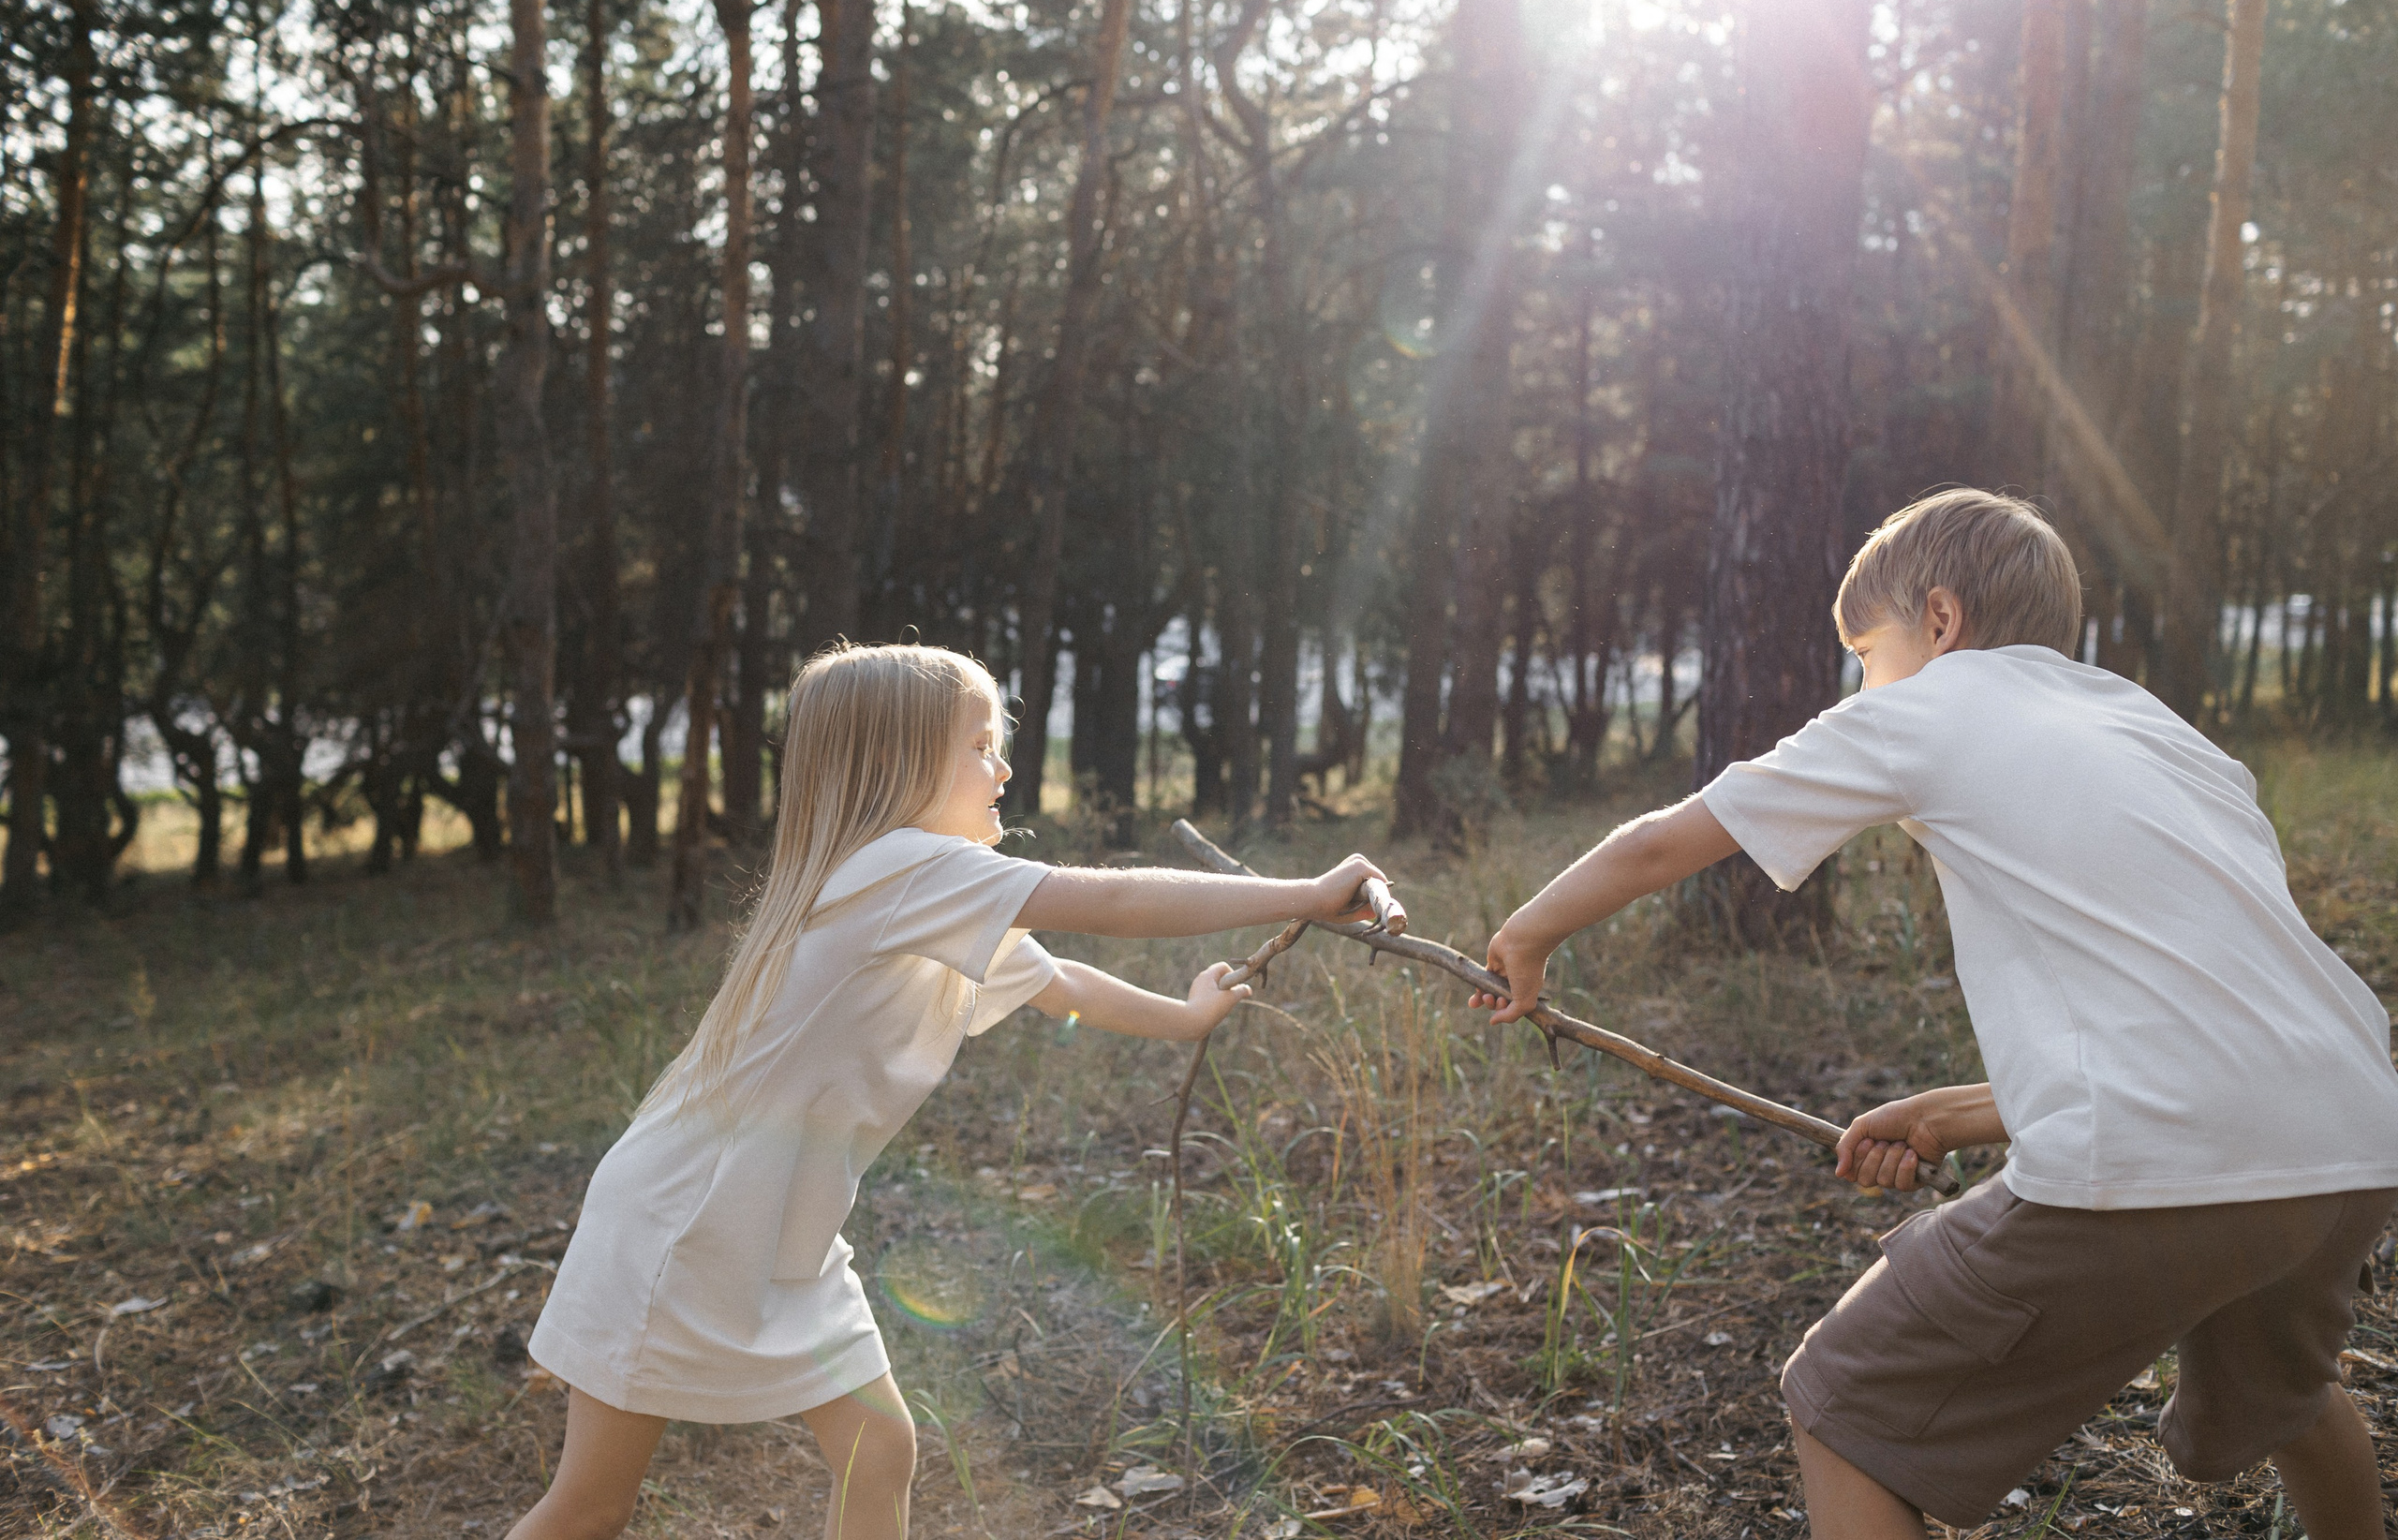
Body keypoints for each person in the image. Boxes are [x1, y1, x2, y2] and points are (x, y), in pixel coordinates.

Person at [1472, 489, 2398, 1539]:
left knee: (1843, 1402)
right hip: (2353, 1138)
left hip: (2173, 1150)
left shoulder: (1927, 705)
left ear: (1942, 622)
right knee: (2287, 1402)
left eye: (1866, 651)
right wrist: (1966, 1112)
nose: (1861, 682)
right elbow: (2203, 1010)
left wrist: (1529, 935)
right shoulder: (2163, 734)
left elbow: (1662, 843)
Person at [509, 643, 1388, 1540]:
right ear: (894, 761)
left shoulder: (927, 890)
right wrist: (1310, 892)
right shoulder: (898, 870)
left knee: (880, 1448)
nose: (1003, 767)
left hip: (781, 1233)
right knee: (591, 1507)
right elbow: (1113, 901)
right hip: (682, 1226)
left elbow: (1064, 987)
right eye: (978, 745)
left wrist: (1186, 1015)